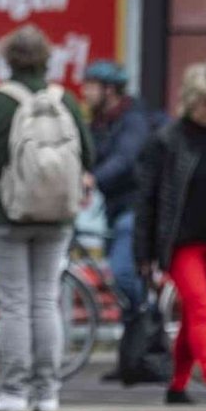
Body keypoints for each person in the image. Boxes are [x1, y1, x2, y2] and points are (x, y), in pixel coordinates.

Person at [0, 25, 94, 411]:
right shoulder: (64, 100)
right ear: (48, 59)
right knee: (46, 299)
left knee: (15, 302)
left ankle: (14, 391)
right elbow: (89, 153)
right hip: (57, 216)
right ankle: (47, 392)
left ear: (7, 59)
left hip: (5, 215)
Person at [135, 59, 206, 406]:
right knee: (200, 308)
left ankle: (177, 384)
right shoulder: (167, 141)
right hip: (181, 243)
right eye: (205, 102)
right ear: (190, 100)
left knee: (194, 316)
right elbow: (147, 201)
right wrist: (143, 254)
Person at [81, 60, 153, 381]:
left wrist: (92, 180)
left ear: (109, 90)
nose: (85, 92)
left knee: (125, 275)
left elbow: (125, 159)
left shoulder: (133, 120)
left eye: (91, 86)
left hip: (136, 210)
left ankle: (151, 330)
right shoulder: (99, 124)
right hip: (116, 210)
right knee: (123, 286)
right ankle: (133, 361)